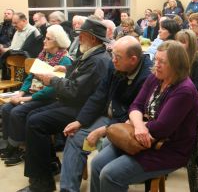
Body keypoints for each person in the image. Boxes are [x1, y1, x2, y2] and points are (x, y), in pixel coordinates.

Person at [90, 40, 198, 192]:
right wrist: (139, 125)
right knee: (97, 164)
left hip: (167, 149)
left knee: (110, 174)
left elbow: (162, 128)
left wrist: (135, 123)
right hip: (141, 137)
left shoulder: (184, 90)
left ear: (176, 65)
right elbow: (136, 106)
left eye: (163, 62)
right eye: (156, 59)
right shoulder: (156, 77)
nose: (157, 65)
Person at [18, 18, 111, 192]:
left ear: (92, 38)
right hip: (75, 104)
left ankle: (42, 183)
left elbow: (75, 90)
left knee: (35, 122)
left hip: (81, 109)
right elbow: (81, 73)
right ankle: (50, 165)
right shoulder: (95, 54)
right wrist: (67, 69)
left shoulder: (98, 60)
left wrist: (52, 80)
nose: (79, 38)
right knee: (31, 117)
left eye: (82, 35)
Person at [59, 36, 152, 192]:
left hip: (125, 124)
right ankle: (67, 190)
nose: (113, 60)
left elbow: (137, 113)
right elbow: (99, 95)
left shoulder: (148, 76)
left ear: (133, 59)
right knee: (74, 136)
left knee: (104, 156)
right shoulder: (114, 64)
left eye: (118, 57)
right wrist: (80, 121)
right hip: (106, 116)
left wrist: (105, 129)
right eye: (112, 54)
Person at [0, 25, 72, 166]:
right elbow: (29, 78)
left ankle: (19, 149)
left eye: (48, 38)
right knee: (6, 108)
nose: (43, 40)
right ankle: (12, 145)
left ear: (57, 42)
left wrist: (25, 98)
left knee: (17, 112)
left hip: (48, 99)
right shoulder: (43, 55)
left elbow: (52, 90)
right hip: (32, 93)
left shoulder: (65, 60)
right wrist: (20, 93)